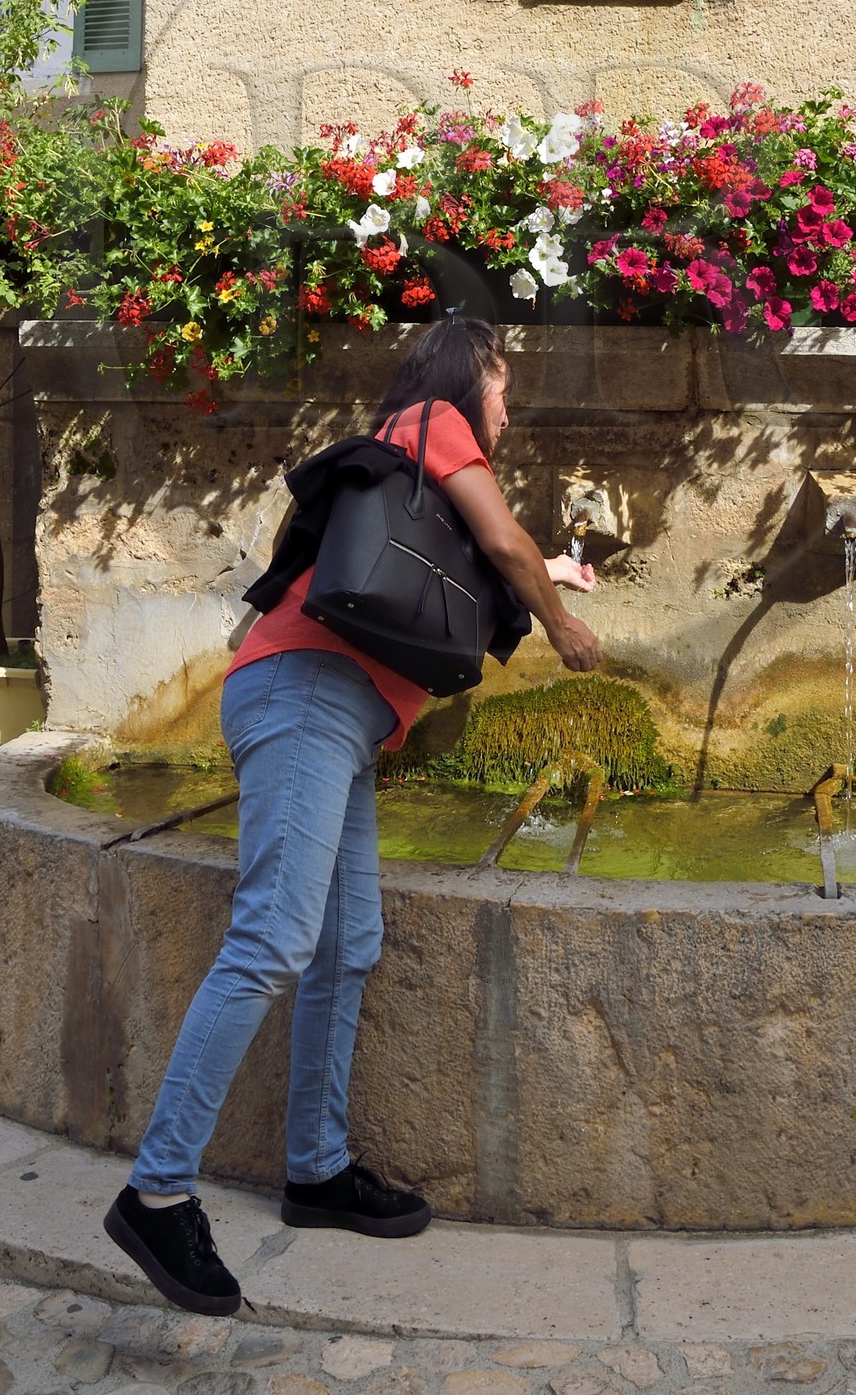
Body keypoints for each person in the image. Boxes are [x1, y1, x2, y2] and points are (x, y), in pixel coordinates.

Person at [104, 316, 601, 1315]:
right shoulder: (432, 418)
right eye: (503, 383)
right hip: (303, 696)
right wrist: (561, 618)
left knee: (345, 940)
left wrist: (538, 583)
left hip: (339, 716)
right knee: (274, 937)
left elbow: (451, 576)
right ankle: (157, 1190)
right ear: (469, 375)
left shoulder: (415, 457)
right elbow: (501, 541)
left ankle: (317, 1168)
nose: (507, 405)